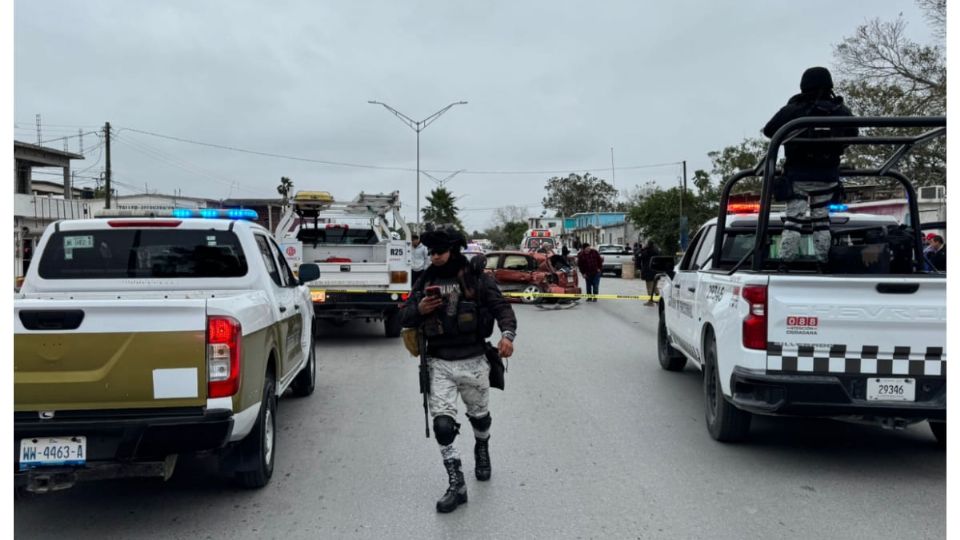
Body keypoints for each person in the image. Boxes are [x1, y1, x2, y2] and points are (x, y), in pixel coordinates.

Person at [400, 226, 517, 514]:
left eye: (439, 251)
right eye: (430, 252)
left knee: (480, 418)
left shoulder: (476, 279)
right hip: (438, 362)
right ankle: (457, 484)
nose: (434, 256)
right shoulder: (426, 279)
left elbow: (502, 308)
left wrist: (507, 336)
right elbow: (403, 315)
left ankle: (482, 446)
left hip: (474, 359)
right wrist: (420, 310)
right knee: (442, 425)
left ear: (452, 249)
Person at [763, 66, 858, 268]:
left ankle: (785, 263)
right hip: (828, 176)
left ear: (804, 85)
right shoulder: (840, 110)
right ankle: (823, 263)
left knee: (793, 221)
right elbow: (853, 133)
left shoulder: (794, 110)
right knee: (822, 221)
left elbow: (770, 130)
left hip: (797, 176)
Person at [638, 240, 660, 306]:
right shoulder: (657, 251)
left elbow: (639, 255)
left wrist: (642, 248)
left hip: (648, 271)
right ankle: (658, 300)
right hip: (656, 271)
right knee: (655, 287)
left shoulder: (646, 251)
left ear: (648, 245)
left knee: (649, 287)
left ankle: (650, 302)